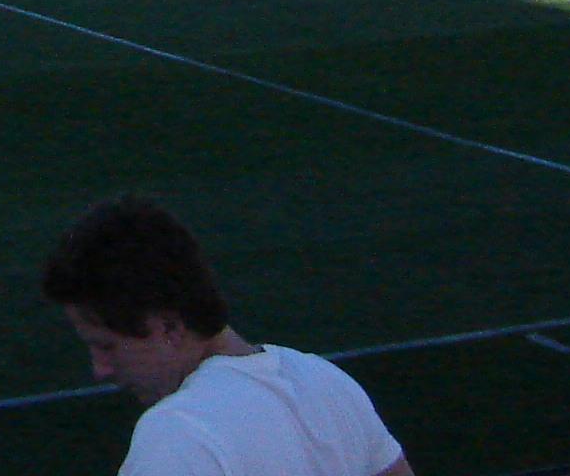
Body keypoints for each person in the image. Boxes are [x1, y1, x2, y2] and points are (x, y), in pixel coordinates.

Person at [42, 196, 411, 476]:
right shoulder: (326, 383)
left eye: (106, 346)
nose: (100, 370)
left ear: (170, 326)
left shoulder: (180, 434)